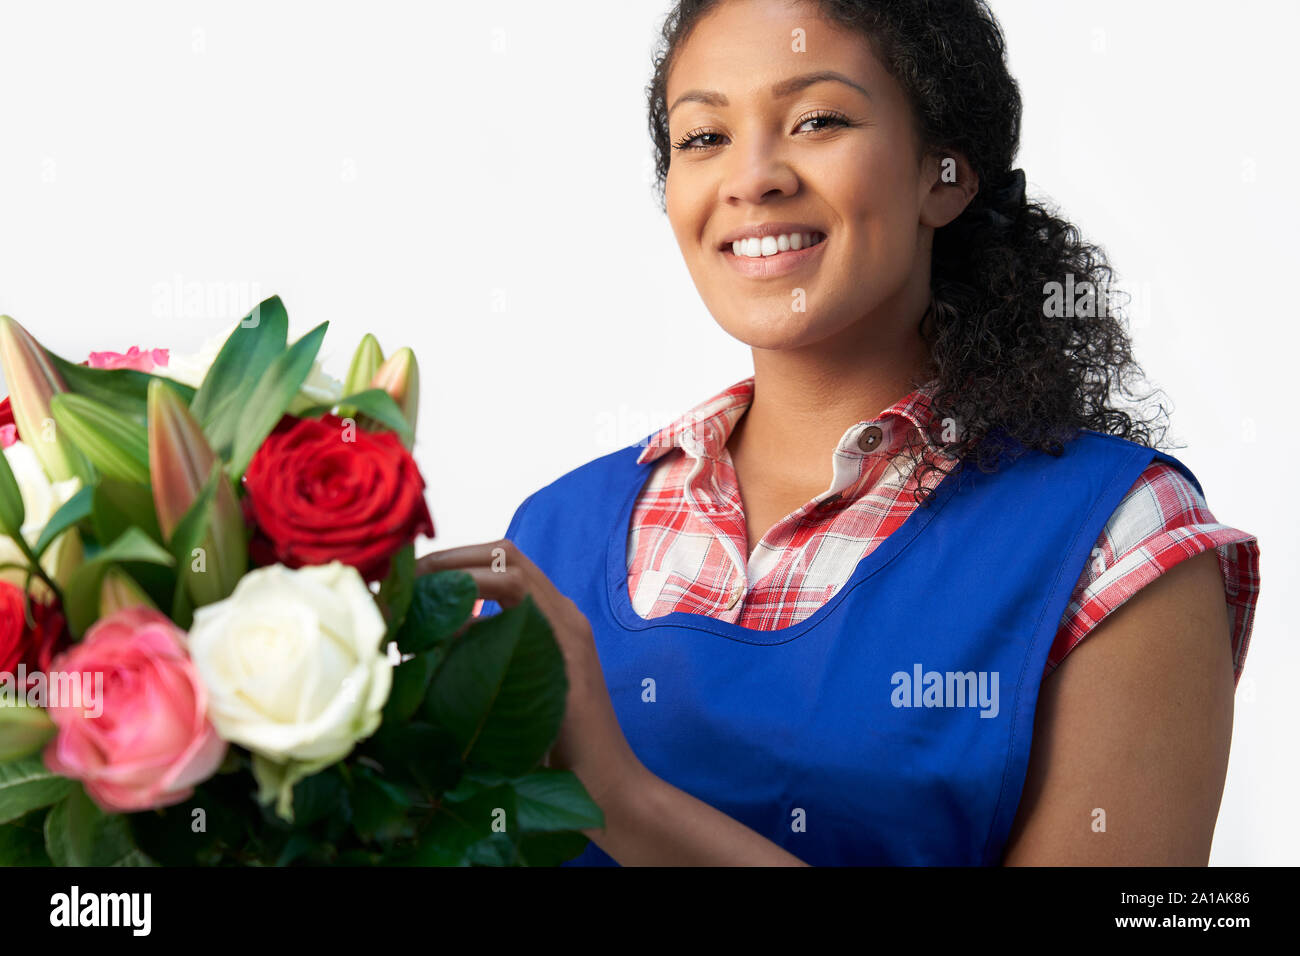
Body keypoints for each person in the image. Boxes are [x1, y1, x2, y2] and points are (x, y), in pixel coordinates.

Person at [416, 0, 1259, 865]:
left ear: (946, 174)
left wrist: (624, 803)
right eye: (703, 137)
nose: (753, 177)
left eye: (817, 120)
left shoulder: (1116, 539)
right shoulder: (550, 535)